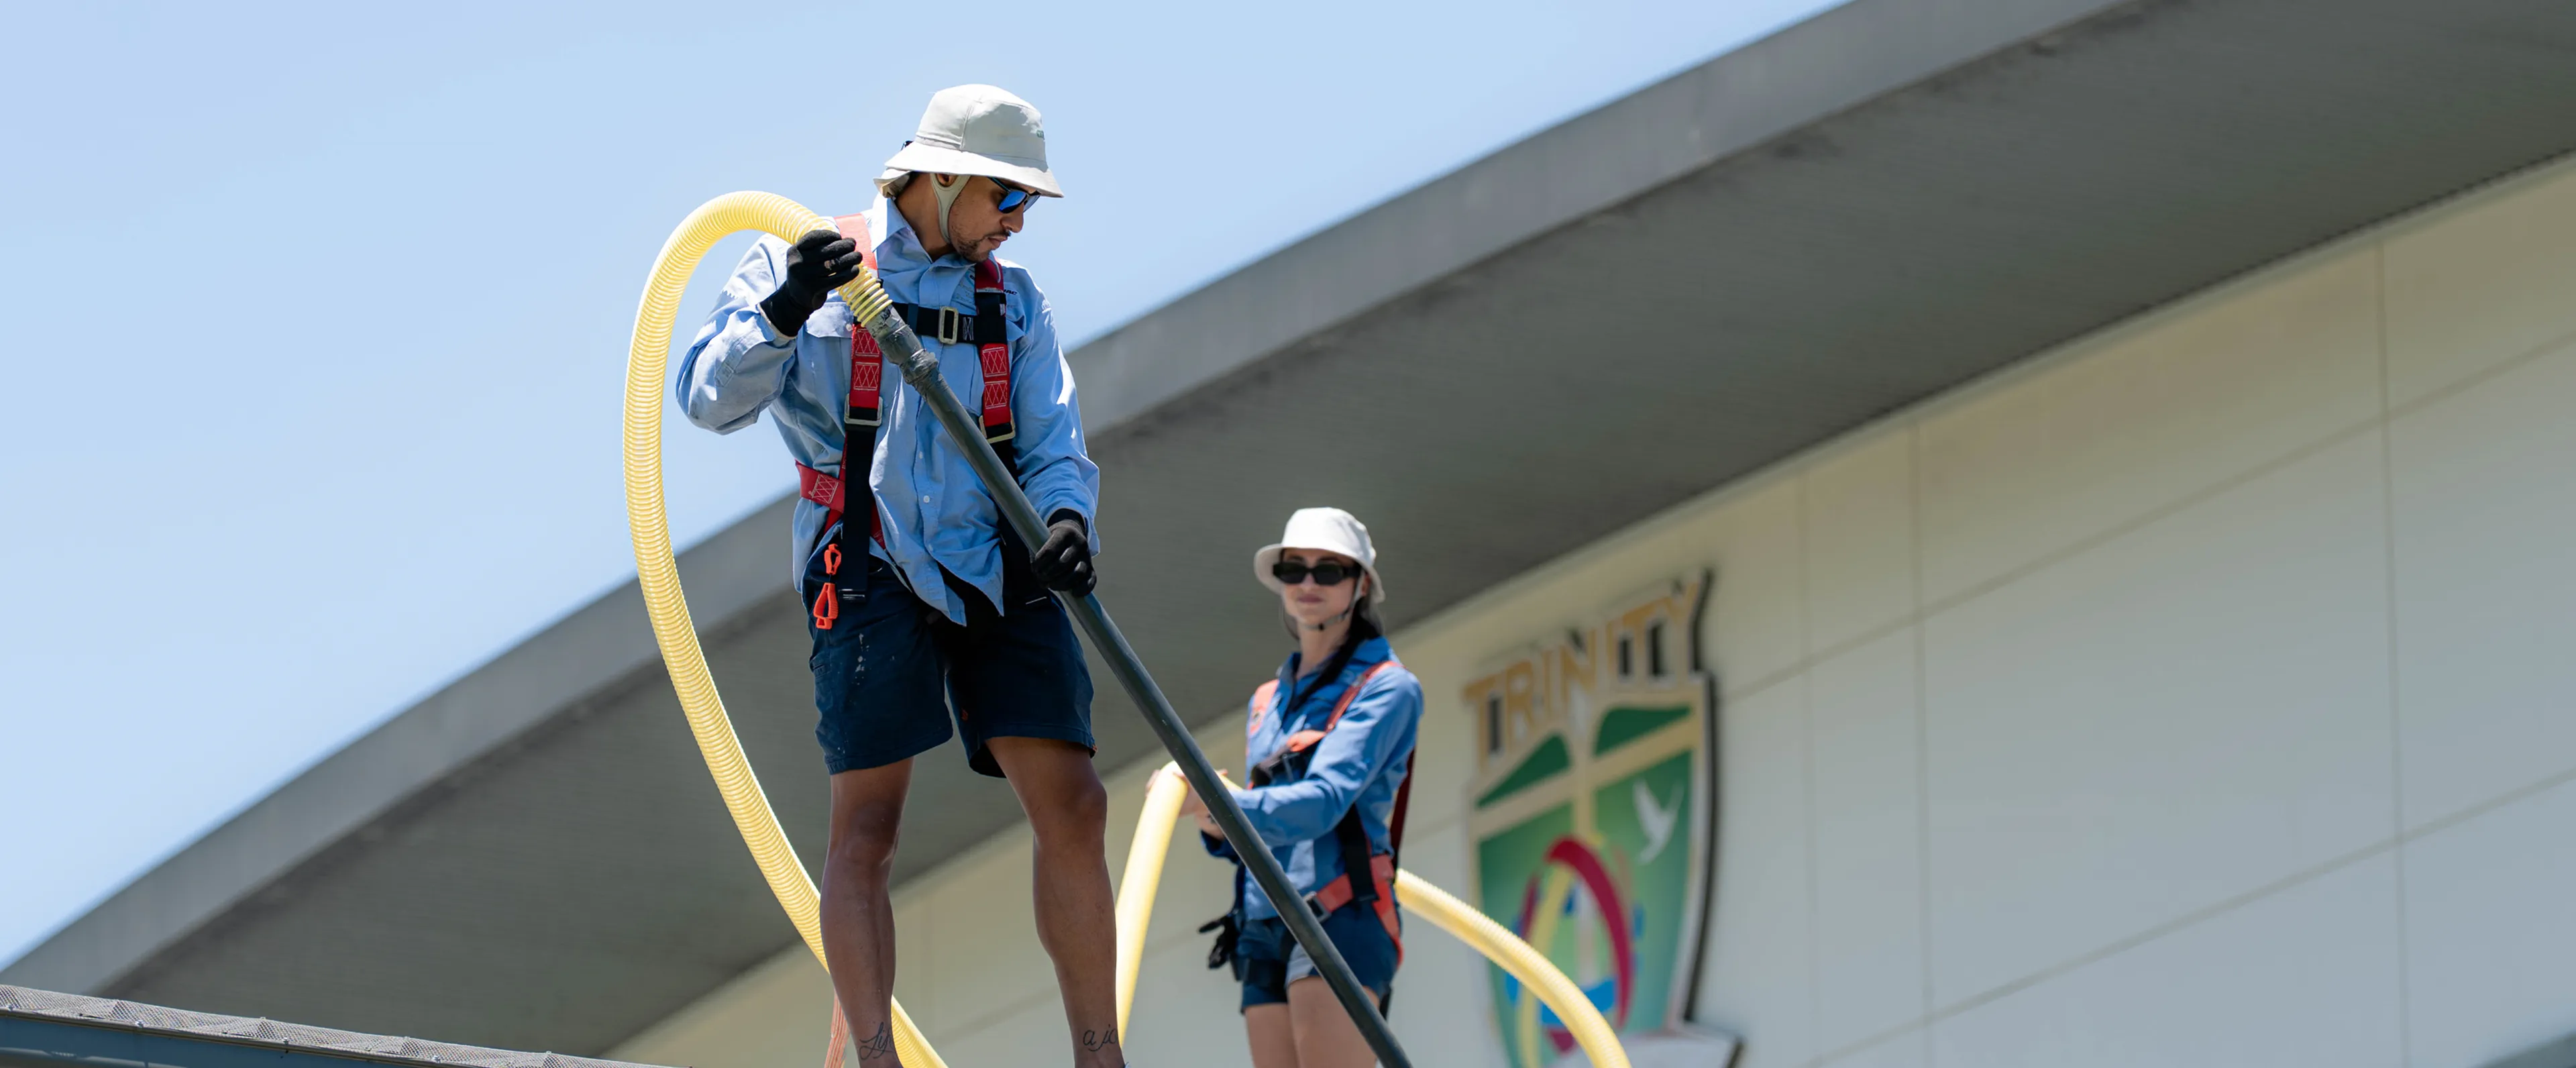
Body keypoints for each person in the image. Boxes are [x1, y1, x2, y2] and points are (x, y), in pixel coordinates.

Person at [675, 85, 1121, 1067]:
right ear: (946, 174)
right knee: (868, 824)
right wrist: (789, 305)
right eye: (1007, 200)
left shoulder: (1016, 300)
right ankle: (877, 1059)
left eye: (1026, 208)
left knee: (1076, 800)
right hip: (867, 557)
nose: (1015, 223)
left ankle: (1101, 1054)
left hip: (1002, 559)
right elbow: (706, 398)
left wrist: (1065, 522)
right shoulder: (810, 260)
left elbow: (1053, 445)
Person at [1178, 508, 1424, 1068]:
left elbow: (1322, 803)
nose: (1309, 584)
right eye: (1295, 570)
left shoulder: (1388, 688)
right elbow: (1257, 830)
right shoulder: (1268, 700)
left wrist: (1223, 804)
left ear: (1360, 585)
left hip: (1338, 915)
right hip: (1264, 924)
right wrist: (1211, 817)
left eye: (1328, 571)